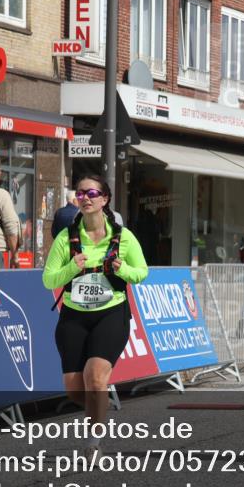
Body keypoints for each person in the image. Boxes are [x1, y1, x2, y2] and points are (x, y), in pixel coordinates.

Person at [42, 174, 148, 461]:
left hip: (111, 313)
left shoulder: (123, 237)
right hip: (74, 315)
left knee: (96, 377)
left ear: (105, 199)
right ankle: (99, 406)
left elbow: (141, 273)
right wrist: (70, 271)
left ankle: (93, 441)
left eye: (91, 193)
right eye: (80, 194)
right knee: (75, 388)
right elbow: (48, 280)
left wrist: (121, 269)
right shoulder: (67, 237)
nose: (85, 198)